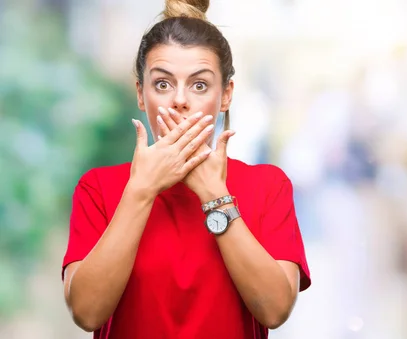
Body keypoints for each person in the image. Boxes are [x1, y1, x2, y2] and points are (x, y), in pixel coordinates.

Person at [61, 1, 311, 338]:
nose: (180, 100)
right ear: (140, 93)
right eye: (162, 84)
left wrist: (215, 196)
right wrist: (141, 191)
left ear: (226, 95)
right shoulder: (99, 188)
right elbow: (87, 313)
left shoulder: (268, 186)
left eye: (199, 85)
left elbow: (276, 309)